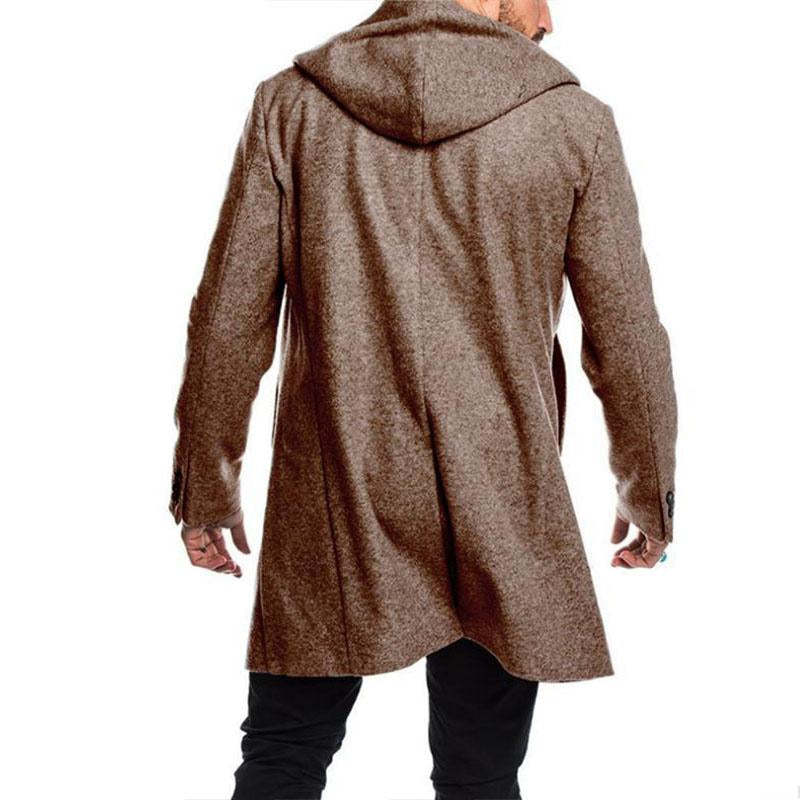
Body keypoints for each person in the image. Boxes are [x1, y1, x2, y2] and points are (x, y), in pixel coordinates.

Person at [168, 0, 678, 797]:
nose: (549, 18)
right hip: (500, 487)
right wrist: (648, 488)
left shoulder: (292, 106)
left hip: (336, 484)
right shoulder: (570, 121)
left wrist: (206, 482)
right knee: (481, 774)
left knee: (284, 753)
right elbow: (627, 333)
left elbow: (229, 315)